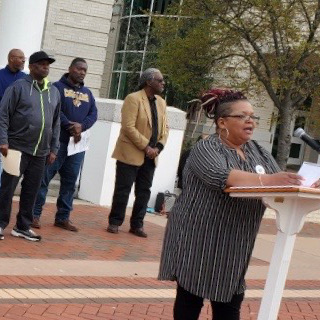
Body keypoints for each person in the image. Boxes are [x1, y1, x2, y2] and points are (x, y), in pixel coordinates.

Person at [158, 88, 304, 320]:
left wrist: (304, 184)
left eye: (253, 116)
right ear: (222, 122)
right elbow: (222, 176)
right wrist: (269, 180)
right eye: (243, 116)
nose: (251, 121)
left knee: (230, 300)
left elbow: (279, 182)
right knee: (191, 297)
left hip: (235, 242)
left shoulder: (258, 151)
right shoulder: (207, 148)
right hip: (198, 237)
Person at [0, 51, 60, 242]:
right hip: (17, 147)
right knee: (7, 189)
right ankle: (0, 224)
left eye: (47, 64)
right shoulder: (18, 87)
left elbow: (56, 122)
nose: (46, 67)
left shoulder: (54, 91)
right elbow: (3, 114)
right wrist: (3, 140)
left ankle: (22, 226)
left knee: (31, 190)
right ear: (32, 67)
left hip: (41, 151)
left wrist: (54, 148)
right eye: (41, 64)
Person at [32, 58, 97, 232]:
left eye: (85, 70)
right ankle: (34, 214)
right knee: (43, 180)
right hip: (56, 143)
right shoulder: (56, 88)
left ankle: (63, 218)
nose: (82, 72)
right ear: (70, 69)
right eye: (79, 68)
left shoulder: (88, 93)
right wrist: (70, 125)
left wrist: (81, 127)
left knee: (69, 183)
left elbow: (93, 114)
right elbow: (53, 110)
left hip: (76, 147)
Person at [107, 68, 169, 238]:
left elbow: (165, 128)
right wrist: (146, 146)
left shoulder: (161, 102)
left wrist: (158, 148)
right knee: (123, 189)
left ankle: (137, 225)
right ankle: (115, 222)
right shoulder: (133, 99)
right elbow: (128, 127)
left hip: (151, 156)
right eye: (160, 80)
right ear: (149, 81)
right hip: (130, 153)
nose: (163, 83)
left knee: (144, 191)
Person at [0, 49, 26, 187]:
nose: (23, 60)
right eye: (20, 57)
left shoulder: (26, 79)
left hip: (17, 132)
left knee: (10, 171)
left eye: (24, 57)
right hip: (2, 126)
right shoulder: (0, 76)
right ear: (11, 58)